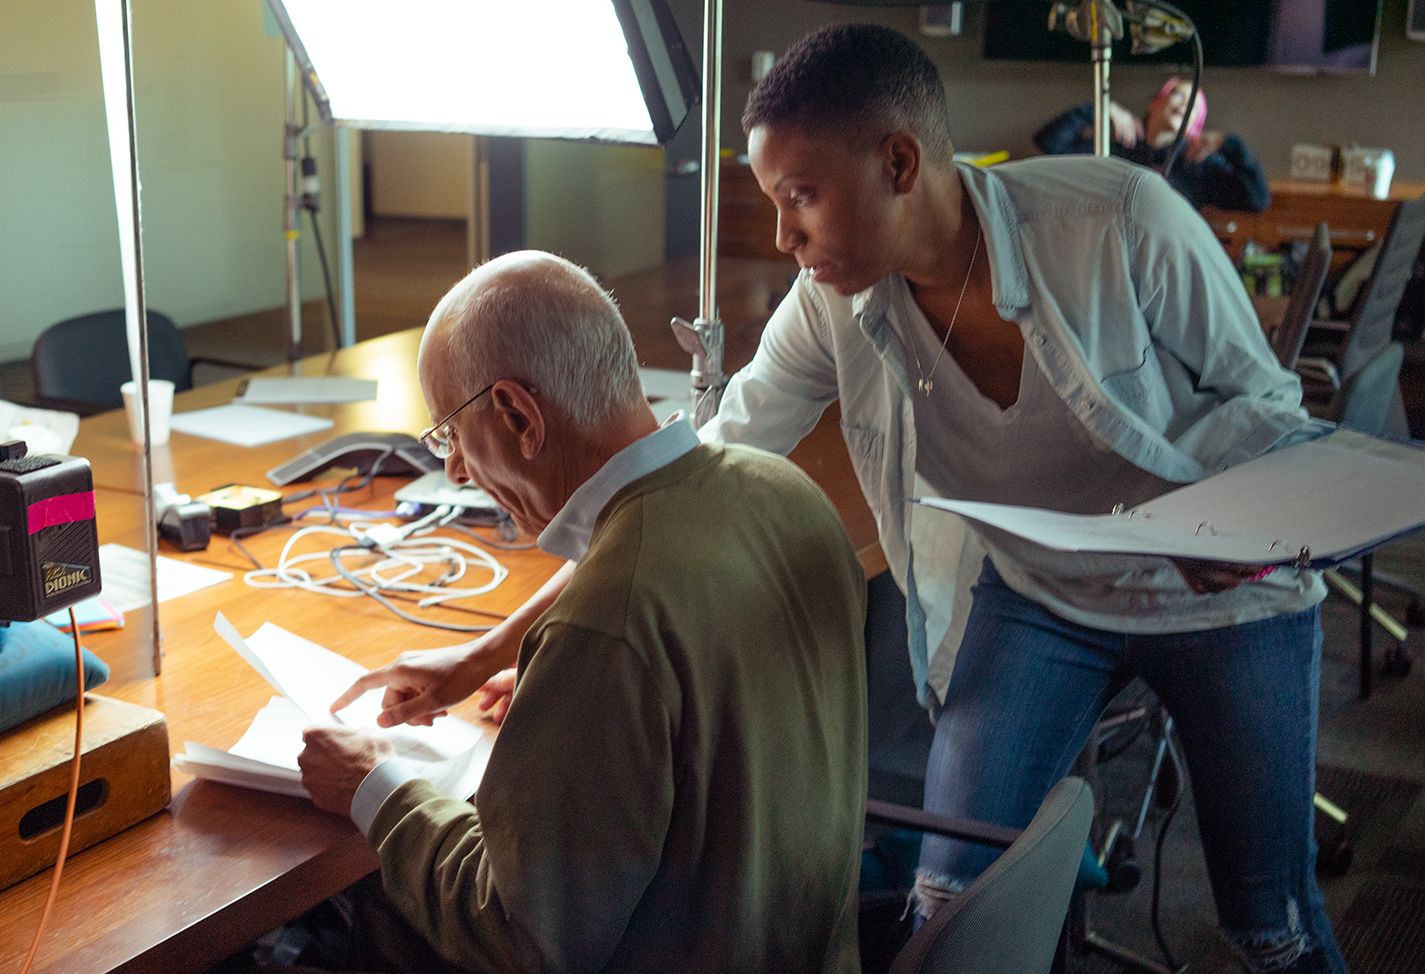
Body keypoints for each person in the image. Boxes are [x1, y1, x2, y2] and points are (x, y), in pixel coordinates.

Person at [340, 23, 1346, 974]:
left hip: (1220, 594)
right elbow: (671, 478)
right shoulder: (834, 298)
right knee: (943, 901)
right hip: (1041, 593)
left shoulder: (1119, 219)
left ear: (897, 165)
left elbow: (1267, 405)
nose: (781, 234)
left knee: (1268, 927)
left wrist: (1246, 534)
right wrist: (487, 649)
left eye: (800, 195)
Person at [293, 250, 869, 974]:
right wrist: (572, 715)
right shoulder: (788, 494)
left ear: (516, 413)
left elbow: (520, 935)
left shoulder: (605, 626)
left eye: (451, 436)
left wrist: (376, 785)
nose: (457, 471)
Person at [1034, 76, 1272, 212]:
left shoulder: (1197, 164)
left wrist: (1228, 144)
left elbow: (1257, 200)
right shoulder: (1119, 147)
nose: (1184, 104)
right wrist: (1100, 109)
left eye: (1194, 106)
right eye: (1178, 95)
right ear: (1154, 103)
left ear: (1195, 125)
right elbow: (1049, 142)